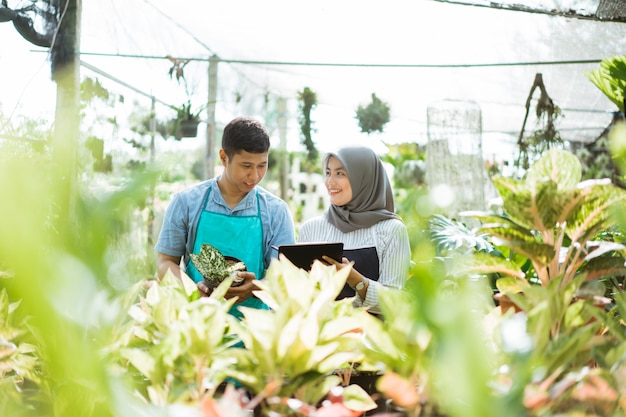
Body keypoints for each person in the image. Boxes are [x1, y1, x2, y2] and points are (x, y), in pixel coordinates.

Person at [155, 116, 295, 318]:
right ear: (223, 157)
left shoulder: (276, 211)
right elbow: (165, 263)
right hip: (198, 324)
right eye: (246, 166)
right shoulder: (186, 203)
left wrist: (255, 287)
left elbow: (284, 275)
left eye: (261, 165)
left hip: (255, 330)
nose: (254, 176)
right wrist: (193, 291)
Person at [298, 146, 410, 316]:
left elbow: (394, 302)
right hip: (321, 337)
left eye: (340, 173)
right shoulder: (311, 228)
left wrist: (356, 280)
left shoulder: (391, 230)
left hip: (371, 338)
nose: (330, 182)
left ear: (363, 179)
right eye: (328, 173)